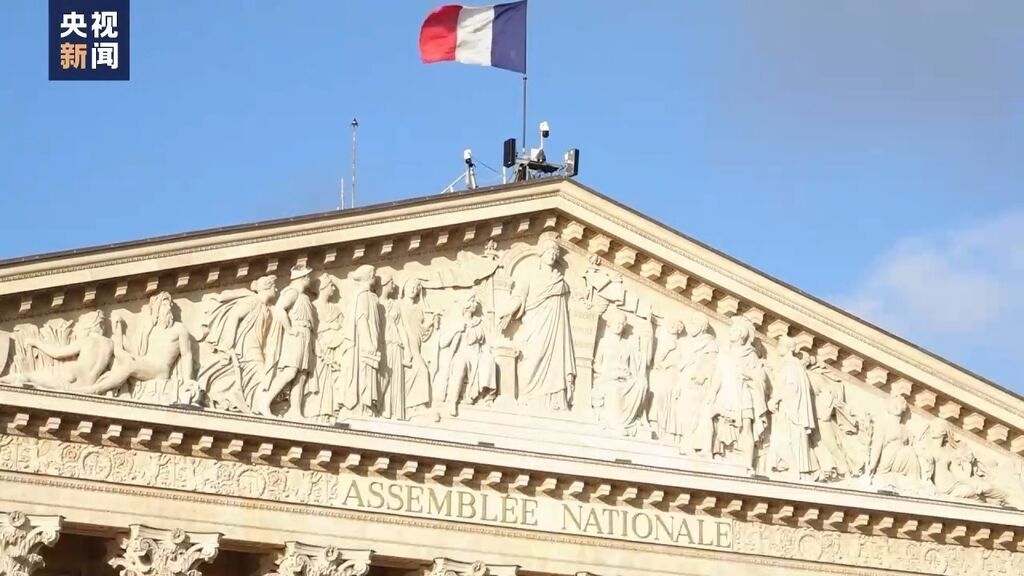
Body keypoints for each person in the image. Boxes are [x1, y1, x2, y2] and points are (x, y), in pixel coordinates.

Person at [498, 239, 576, 410]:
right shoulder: (530, 275)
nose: (552, 255)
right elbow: (519, 296)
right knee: (532, 356)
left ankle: (554, 401)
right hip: (535, 323)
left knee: (555, 359)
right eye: (549, 252)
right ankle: (526, 395)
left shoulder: (560, 281)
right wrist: (508, 312)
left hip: (556, 328)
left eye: (555, 253)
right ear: (542, 253)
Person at [81, 292, 193, 400]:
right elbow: (135, 351)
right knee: (116, 351)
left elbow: (186, 355)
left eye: (169, 305)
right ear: (156, 309)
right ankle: (123, 393)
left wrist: (188, 381)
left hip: (161, 369)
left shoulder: (179, 328)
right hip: (146, 363)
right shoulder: (150, 329)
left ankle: (96, 389)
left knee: (130, 366)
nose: (168, 308)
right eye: (164, 305)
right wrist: (119, 331)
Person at [196, 275, 278, 413]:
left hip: (256, 347)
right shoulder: (253, 301)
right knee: (260, 374)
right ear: (266, 287)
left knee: (256, 375)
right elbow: (234, 316)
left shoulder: (267, 308)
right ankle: (260, 407)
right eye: (274, 286)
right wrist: (230, 341)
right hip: (246, 347)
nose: (276, 289)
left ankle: (252, 404)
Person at [255, 264, 315, 418]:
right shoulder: (292, 292)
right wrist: (289, 329)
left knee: (301, 375)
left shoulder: (304, 296)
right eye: (308, 276)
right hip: (295, 336)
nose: (310, 279)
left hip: (305, 336)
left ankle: (296, 411)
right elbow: (280, 309)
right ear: (302, 278)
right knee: (290, 372)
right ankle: (265, 401)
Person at [709, 315, 769, 470]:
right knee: (720, 423)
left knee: (747, 426)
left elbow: (761, 379)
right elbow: (718, 376)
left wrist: (747, 373)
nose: (731, 332)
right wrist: (712, 394)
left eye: (734, 330)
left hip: (744, 394)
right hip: (726, 394)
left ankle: (748, 464)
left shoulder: (751, 355)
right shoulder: (724, 354)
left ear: (742, 334)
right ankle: (719, 454)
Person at [3, 310, 113, 392]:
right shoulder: (110, 344)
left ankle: (3, 380)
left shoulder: (87, 341)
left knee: (26, 376)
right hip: (88, 382)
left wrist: (36, 342)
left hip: (71, 372)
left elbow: (57, 353)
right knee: (32, 381)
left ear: (89, 326)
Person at [767, 336, 817, 480]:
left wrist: (775, 399)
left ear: (787, 348)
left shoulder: (791, 366)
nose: (777, 348)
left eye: (780, 345)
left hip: (790, 412)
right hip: (787, 410)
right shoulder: (789, 365)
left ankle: (790, 467)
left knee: (785, 439)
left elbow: (791, 387)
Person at [338, 264, 382, 417]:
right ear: (369, 276)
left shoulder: (370, 296)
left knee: (367, 373)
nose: (375, 277)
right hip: (362, 344)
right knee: (362, 372)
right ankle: (360, 407)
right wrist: (368, 343)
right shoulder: (363, 295)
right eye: (374, 274)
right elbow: (361, 319)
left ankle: (366, 406)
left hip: (370, 341)